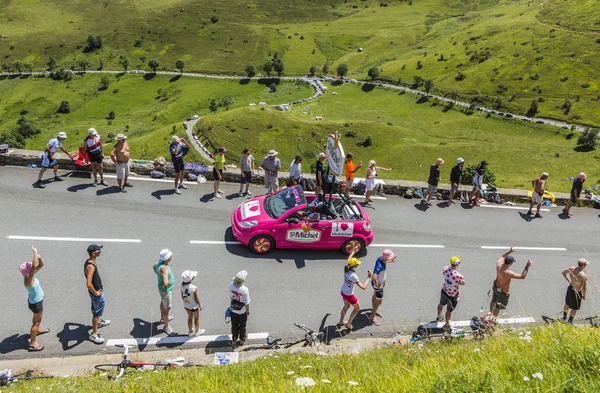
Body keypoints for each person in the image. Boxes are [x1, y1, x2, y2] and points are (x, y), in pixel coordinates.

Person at [21, 246, 49, 352]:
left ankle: (37, 331)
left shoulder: (29, 276)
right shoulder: (28, 279)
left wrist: (39, 257)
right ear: (29, 270)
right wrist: (35, 252)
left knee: (37, 320)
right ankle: (33, 343)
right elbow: (34, 266)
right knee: (36, 322)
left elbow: (40, 265)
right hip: (36, 303)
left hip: (35, 301)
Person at [489, 247, 532, 317]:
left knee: (493, 300)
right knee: (498, 307)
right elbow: (522, 276)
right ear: (510, 263)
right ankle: (492, 321)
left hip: (496, 287)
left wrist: (509, 251)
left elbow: (502, 256)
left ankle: (490, 314)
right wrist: (527, 266)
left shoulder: (499, 264)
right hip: (503, 292)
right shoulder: (508, 273)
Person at [338, 247, 372, 331]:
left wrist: (353, 252)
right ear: (354, 266)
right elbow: (363, 287)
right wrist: (368, 277)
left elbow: (348, 259)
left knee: (346, 306)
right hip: (349, 294)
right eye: (357, 264)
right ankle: (349, 323)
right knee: (357, 308)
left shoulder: (346, 268)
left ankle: (341, 321)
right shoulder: (353, 276)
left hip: (343, 291)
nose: (358, 265)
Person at [84, 244, 110, 344]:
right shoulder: (91, 266)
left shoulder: (89, 262)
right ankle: (94, 333)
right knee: (97, 313)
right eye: (99, 251)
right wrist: (96, 293)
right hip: (96, 293)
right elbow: (88, 284)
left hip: (94, 292)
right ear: (94, 253)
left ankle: (98, 322)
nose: (100, 252)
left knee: (94, 308)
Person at [436, 256, 465, 329]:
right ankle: (446, 324)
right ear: (457, 264)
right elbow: (463, 283)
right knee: (449, 311)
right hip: (452, 295)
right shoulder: (458, 275)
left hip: (444, 291)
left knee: (441, 304)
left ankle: (439, 317)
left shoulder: (445, 269)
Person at [370, 249, 397, 326]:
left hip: (378, 284)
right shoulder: (380, 266)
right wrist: (378, 286)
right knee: (379, 301)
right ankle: (372, 316)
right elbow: (374, 277)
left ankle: (373, 310)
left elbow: (384, 261)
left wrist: (389, 261)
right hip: (378, 286)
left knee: (375, 296)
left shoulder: (380, 258)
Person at [153, 249, 176, 336]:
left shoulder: (160, 263)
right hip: (166, 291)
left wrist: (159, 276)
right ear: (167, 258)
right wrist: (168, 282)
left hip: (161, 290)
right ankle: (166, 326)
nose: (171, 257)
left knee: (163, 302)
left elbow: (154, 267)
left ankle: (163, 318)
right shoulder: (164, 269)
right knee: (167, 308)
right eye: (170, 256)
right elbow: (166, 282)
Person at [562, 259, 589, 325]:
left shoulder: (571, 268)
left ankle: (564, 317)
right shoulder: (583, 276)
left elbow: (563, 273)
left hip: (570, 288)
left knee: (567, 304)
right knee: (575, 308)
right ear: (583, 266)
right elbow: (584, 288)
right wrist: (584, 295)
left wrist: (569, 280)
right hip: (577, 292)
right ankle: (570, 320)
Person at [229, 270, 251, 346]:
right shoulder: (244, 289)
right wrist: (248, 311)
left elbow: (230, 297)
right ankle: (242, 339)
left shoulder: (231, 285)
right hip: (242, 311)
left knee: (234, 325)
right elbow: (247, 302)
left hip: (233, 309)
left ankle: (234, 338)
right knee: (242, 325)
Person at [181, 270, 205, 337]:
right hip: (193, 306)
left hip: (186, 305)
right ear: (192, 278)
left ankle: (190, 331)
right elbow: (196, 299)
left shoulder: (182, 286)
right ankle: (197, 331)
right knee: (196, 318)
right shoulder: (194, 288)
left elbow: (182, 296)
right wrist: (200, 305)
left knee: (189, 317)